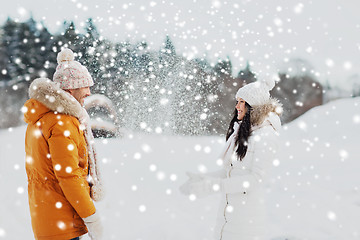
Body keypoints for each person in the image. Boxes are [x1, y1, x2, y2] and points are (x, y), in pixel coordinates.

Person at [180, 78, 282, 240]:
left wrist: (214, 186)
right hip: (228, 216)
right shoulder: (245, 132)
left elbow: (255, 179)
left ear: (253, 106)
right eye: (237, 101)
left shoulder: (266, 137)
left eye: (242, 102)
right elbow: (232, 172)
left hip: (247, 219)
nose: (237, 106)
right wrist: (204, 178)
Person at [23, 48, 104, 240]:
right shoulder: (62, 123)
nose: (89, 92)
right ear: (69, 90)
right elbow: (69, 176)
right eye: (84, 86)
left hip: (49, 216)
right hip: (62, 220)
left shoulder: (41, 118)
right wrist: (91, 217)